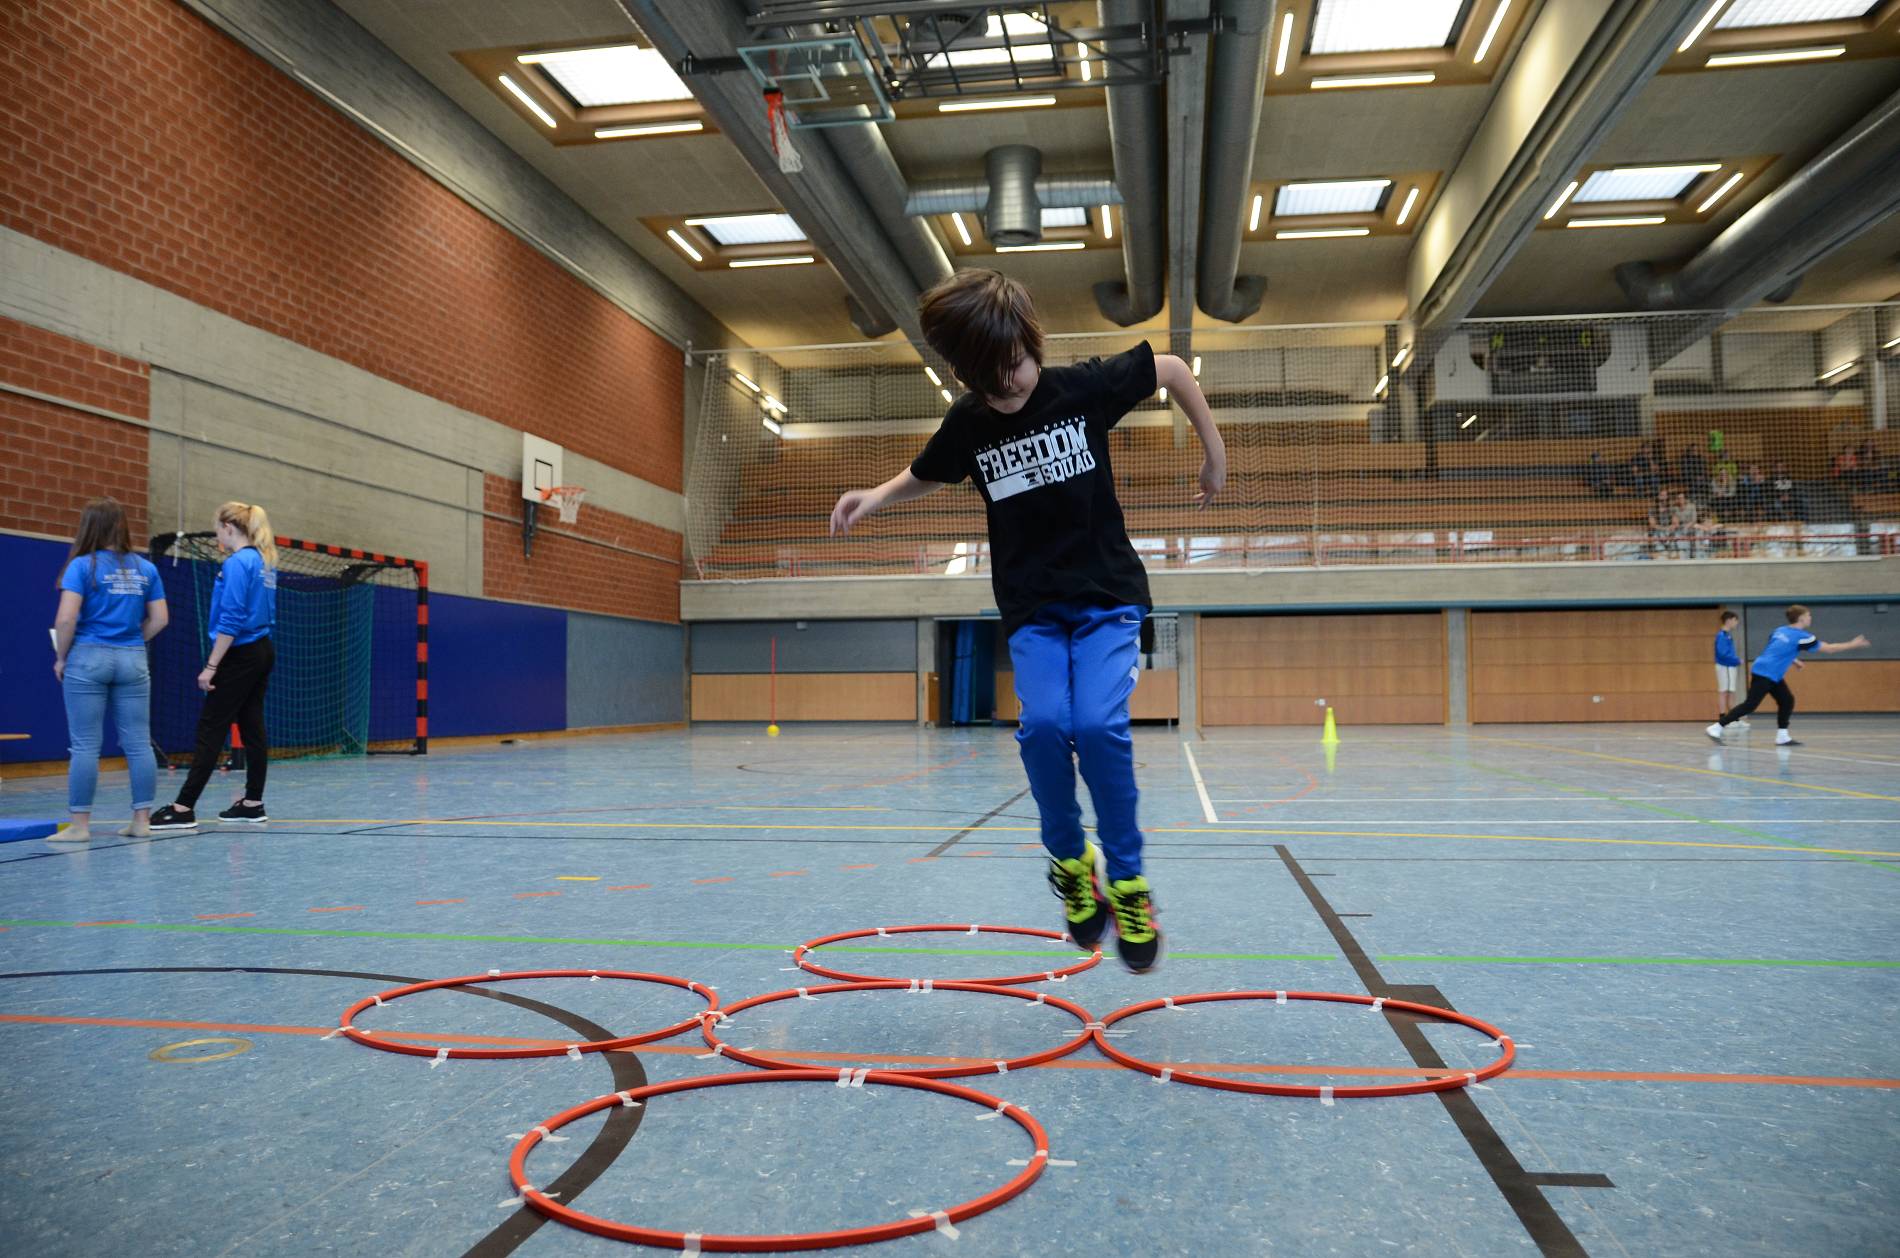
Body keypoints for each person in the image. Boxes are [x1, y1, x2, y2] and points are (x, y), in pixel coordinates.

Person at [829, 269, 1226, 972]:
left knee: (1097, 727)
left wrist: (1214, 457)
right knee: (1042, 727)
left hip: (1107, 598)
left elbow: (1171, 369)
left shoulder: (1082, 388)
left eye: (1014, 366)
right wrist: (875, 496)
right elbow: (930, 471)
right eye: (989, 380)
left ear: (1030, 340)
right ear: (965, 375)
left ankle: (1128, 881)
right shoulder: (971, 422)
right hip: (1033, 609)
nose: (1008, 386)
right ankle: (1072, 865)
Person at [150, 502, 279, 831]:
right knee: (252, 725)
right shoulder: (264, 561)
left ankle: (183, 807)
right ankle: (252, 803)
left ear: (228, 528)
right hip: (262, 649)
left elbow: (231, 618)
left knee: (211, 728)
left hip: (241, 653)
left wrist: (211, 665)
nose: (217, 535)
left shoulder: (238, 563)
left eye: (218, 529)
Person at [49, 498, 169, 841]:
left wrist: (61, 657)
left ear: (89, 527)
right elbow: (160, 619)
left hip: (88, 657)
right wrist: (131, 640)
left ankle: (80, 826)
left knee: (85, 745)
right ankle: (141, 821)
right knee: (138, 743)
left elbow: (66, 618)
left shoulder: (81, 566)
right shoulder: (146, 569)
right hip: (132, 657)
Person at [1707, 605, 1870, 746]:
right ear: (1801, 618)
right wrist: (1852, 644)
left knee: (1787, 700)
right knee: (1750, 705)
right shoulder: (1804, 637)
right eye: (1808, 615)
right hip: (1766, 672)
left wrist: (1794, 660)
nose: (1810, 618)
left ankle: (1782, 736)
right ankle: (1717, 727)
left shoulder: (1779, 631)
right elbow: (1829, 649)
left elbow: (1778, 649)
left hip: (1768, 670)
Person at [1713, 610, 1746, 728]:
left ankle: (1733, 718)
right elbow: (1723, 653)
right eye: (1735, 620)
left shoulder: (1727, 635)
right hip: (1725, 666)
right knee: (1725, 692)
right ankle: (1724, 719)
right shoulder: (1722, 636)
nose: (1736, 623)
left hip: (1729, 666)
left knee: (1730, 692)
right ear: (1729, 620)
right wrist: (1736, 660)